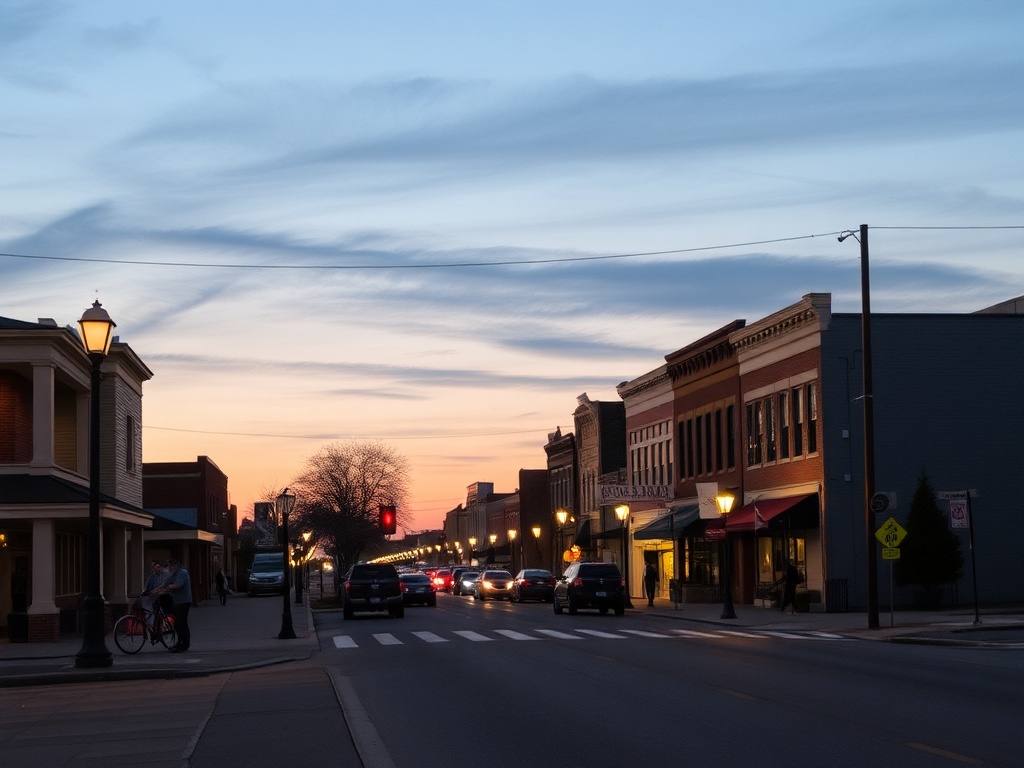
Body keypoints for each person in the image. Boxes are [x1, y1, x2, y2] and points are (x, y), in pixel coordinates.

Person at [164, 560, 193, 652]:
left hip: (184, 601)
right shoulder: (173, 574)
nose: (170, 568)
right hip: (177, 602)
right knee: (177, 623)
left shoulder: (182, 572)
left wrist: (170, 587)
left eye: (171, 566)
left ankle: (184, 644)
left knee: (182, 622)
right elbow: (165, 584)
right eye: (169, 566)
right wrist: (156, 590)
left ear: (176, 565)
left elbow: (179, 584)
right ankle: (179, 642)